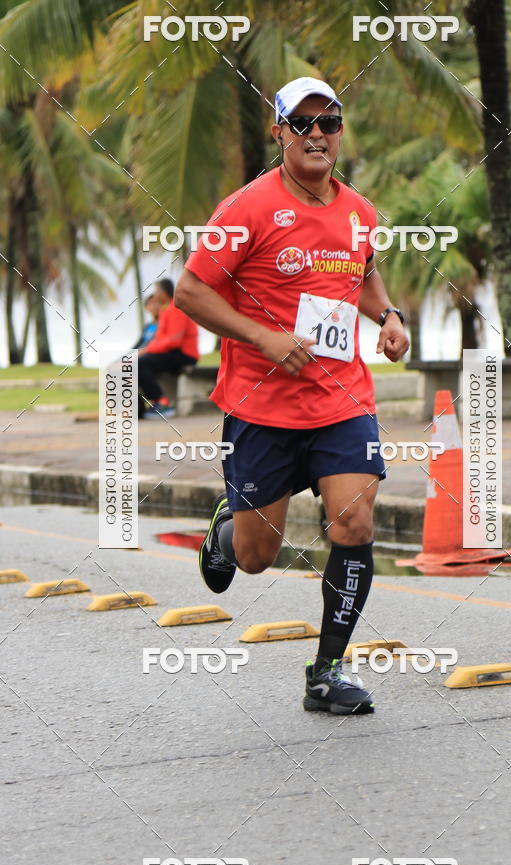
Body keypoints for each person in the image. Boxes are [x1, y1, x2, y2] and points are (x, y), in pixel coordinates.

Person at [174, 76, 409, 714]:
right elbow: (190, 293)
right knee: (256, 557)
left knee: (355, 521)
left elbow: (360, 271)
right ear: (278, 132)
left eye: (327, 123)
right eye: (300, 124)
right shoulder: (246, 208)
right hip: (261, 407)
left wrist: (389, 317)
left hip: (342, 403)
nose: (315, 135)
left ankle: (327, 672)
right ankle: (225, 531)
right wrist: (264, 337)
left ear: (339, 133)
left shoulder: (359, 210)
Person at [137, 278, 199, 418]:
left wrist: (148, 350)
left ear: (164, 292)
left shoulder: (176, 308)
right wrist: (145, 350)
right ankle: (139, 408)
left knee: (140, 363)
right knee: (137, 363)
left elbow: (174, 341)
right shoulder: (165, 311)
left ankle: (161, 403)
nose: (155, 294)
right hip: (172, 353)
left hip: (184, 355)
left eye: (156, 291)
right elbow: (160, 339)